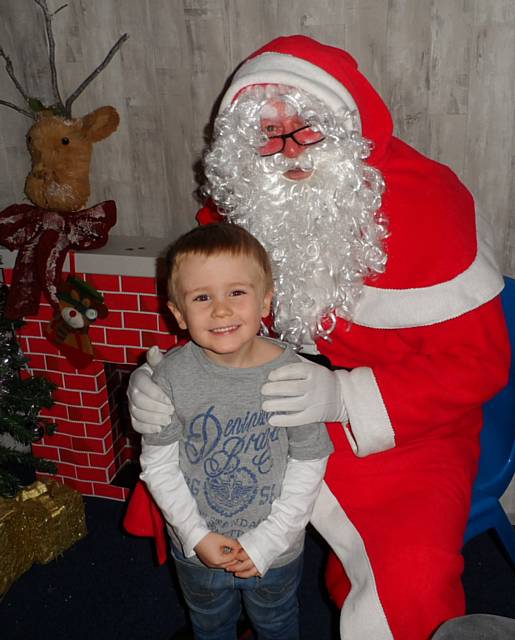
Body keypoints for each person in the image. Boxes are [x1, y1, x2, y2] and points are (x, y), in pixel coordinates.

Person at [126, 36, 511, 640]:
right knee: (198, 487)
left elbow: (480, 365)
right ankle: (242, 607)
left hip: (403, 428)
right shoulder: (244, 206)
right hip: (253, 398)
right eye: (267, 133)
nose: (287, 151)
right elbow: (205, 307)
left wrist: (340, 397)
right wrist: (158, 377)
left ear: (347, 127)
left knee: (406, 584)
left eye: (306, 129)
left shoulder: (430, 206)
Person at [139, 222, 333, 640]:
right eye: (202, 297)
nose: (221, 310)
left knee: (278, 622)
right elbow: (158, 465)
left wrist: (268, 541)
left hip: (276, 549)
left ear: (265, 299)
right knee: (208, 624)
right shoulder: (170, 378)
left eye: (237, 292)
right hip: (196, 548)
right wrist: (196, 536)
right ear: (177, 312)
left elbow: (309, 462)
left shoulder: (295, 376)